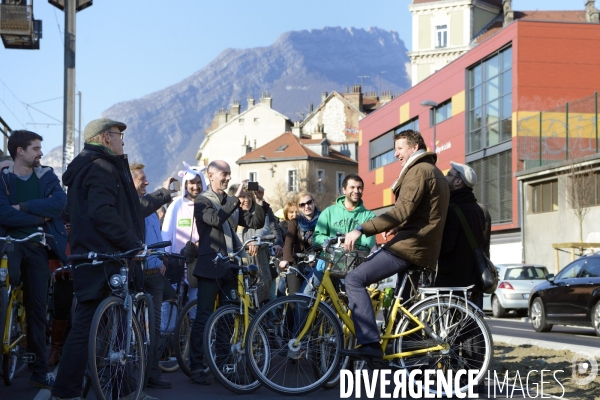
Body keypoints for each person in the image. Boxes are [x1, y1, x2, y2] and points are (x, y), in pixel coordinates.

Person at [52, 118, 157, 400]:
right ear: (105, 138)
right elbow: (102, 212)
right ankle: (66, 392)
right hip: (106, 256)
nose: (123, 141)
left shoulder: (89, 167)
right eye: (119, 135)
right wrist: (132, 244)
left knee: (109, 325)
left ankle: (121, 387)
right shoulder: (100, 167)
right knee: (89, 327)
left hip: (98, 255)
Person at [341, 129, 450, 360]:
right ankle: (406, 356)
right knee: (404, 307)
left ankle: (370, 344)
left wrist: (361, 229)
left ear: (415, 146)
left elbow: (401, 211)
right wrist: (399, 227)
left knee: (354, 279)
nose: (395, 154)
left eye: (399, 149)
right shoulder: (433, 171)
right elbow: (425, 214)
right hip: (421, 247)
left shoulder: (419, 170)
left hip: (410, 247)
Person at [188, 160, 268, 385]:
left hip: (231, 266)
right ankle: (196, 366)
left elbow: (255, 221)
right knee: (204, 317)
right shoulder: (203, 201)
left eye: (229, 174)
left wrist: (259, 201)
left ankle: (223, 365)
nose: (227, 178)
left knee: (227, 318)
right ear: (210, 175)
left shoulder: (228, 201)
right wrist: (236, 198)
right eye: (223, 174)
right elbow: (215, 219)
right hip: (211, 265)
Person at [0, 130, 68, 390]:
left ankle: (39, 370)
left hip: (37, 248)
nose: (41, 152)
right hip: (8, 245)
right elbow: (2, 215)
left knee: (37, 310)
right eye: (36, 148)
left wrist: (22, 208)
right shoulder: (3, 178)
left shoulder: (47, 175)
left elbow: (58, 205)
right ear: (20, 151)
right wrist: (40, 217)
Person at [130, 162, 177, 389]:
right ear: (130, 181)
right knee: (134, 328)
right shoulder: (130, 205)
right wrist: (164, 191)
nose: (146, 182)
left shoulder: (150, 208)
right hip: (135, 275)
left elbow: (156, 237)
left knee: (154, 328)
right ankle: (132, 375)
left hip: (154, 274)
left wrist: (162, 260)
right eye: (141, 178)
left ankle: (152, 375)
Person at [435, 161, 490, 308]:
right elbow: (484, 246)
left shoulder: (452, 209)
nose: (446, 178)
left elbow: (445, 246)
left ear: (458, 181)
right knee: (472, 325)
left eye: (449, 175)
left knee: (450, 327)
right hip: (474, 280)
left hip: (452, 282)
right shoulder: (480, 210)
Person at [308, 173, 376, 289]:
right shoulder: (329, 212)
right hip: (326, 265)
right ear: (344, 190)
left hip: (352, 268)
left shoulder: (369, 216)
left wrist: (349, 245)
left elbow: (367, 243)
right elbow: (316, 238)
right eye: (352, 187)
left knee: (347, 304)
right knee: (304, 298)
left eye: (359, 188)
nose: (356, 191)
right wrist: (337, 242)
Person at [161, 161, 207, 303]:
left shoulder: (207, 204)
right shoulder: (176, 205)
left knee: (195, 303)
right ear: (185, 184)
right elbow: (167, 232)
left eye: (199, 182)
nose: (195, 186)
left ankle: (194, 325)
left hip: (198, 262)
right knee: (172, 303)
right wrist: (165, 256)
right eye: (191, 183)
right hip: (176, 262)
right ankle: (172, 326)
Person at [232, 184, 283, 305]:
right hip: (238, 264)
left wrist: (257, 240)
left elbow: (269, 228)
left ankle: (266, 321)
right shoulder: (233, 213)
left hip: (259, 262)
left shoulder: (261, 209)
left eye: (249, 195)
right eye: (243, 196)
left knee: (264, 299)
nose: (247, 199)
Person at [279, 192, 320, 295]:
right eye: (302, 204)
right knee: (295, 298)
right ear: (299, 207)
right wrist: (286, 260)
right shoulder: (295, 222)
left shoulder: (323, 219)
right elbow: (289, 242)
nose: (306, 206)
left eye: (309, 202)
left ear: (313, 202)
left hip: (318, 263)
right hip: (298, 263)